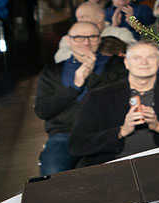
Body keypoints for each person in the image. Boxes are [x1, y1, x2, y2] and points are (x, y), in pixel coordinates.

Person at [69, 41, 159, 167]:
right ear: (126, 63)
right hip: (115, 165)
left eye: (150, 57)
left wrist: (158, 126)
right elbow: (77, 145)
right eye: (137, 58)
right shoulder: (99, 97)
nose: (144, 62)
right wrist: (121, 131)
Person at [34, 22, 125, 174]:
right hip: (65, 134)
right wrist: (75, 86)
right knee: (52, 174)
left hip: (106, 132)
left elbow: (118, 101)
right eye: (79, 37)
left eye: (92, 37)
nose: (86, 42)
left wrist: (92, 74)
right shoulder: (52, 71)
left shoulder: (117, 65)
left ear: (100, 40)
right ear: (68, 40)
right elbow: (43, 111)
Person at [54, 2, 135, 62]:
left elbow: (134, 53)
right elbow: (59, 58)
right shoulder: (71, 37)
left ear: (100, 17)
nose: (80, 21)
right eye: (78, 18)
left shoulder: (120, 33)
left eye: (83, 17)